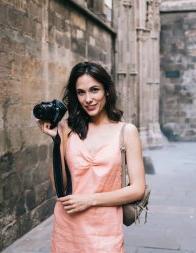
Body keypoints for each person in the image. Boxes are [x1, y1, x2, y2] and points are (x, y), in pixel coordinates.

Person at [36, 61, 146, 253]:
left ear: (107, 91)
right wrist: (56, 141)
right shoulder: (67, 129)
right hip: (68, 229)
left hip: (105, 231)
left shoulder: (126, 132)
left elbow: (138, 189)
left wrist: (88, 200)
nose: (88, 99)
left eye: (94, 90)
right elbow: (59, 187)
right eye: (81, 92)